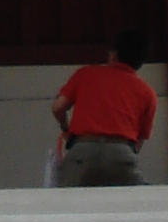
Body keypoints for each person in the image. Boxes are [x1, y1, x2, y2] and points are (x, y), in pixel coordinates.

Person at [50, 28, 157, 187]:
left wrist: (66, 127)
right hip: (121, 154)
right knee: (142, 201)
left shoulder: (86, 74)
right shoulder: (148, 93)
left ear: (114, 54)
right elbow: (138, 143)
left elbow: (58, 107)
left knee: (63, 201)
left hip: (82, 152)